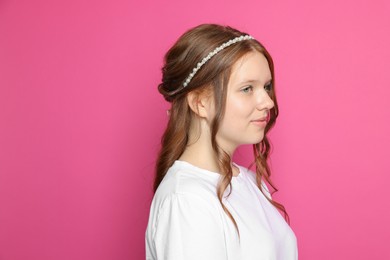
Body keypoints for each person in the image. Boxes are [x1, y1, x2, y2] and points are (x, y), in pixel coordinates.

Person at [145, 23, 298, 260]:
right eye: (247, 88)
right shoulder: (187, 201)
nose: (267, 101)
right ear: (200, 103)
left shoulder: (249, 182)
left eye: (266, 87)